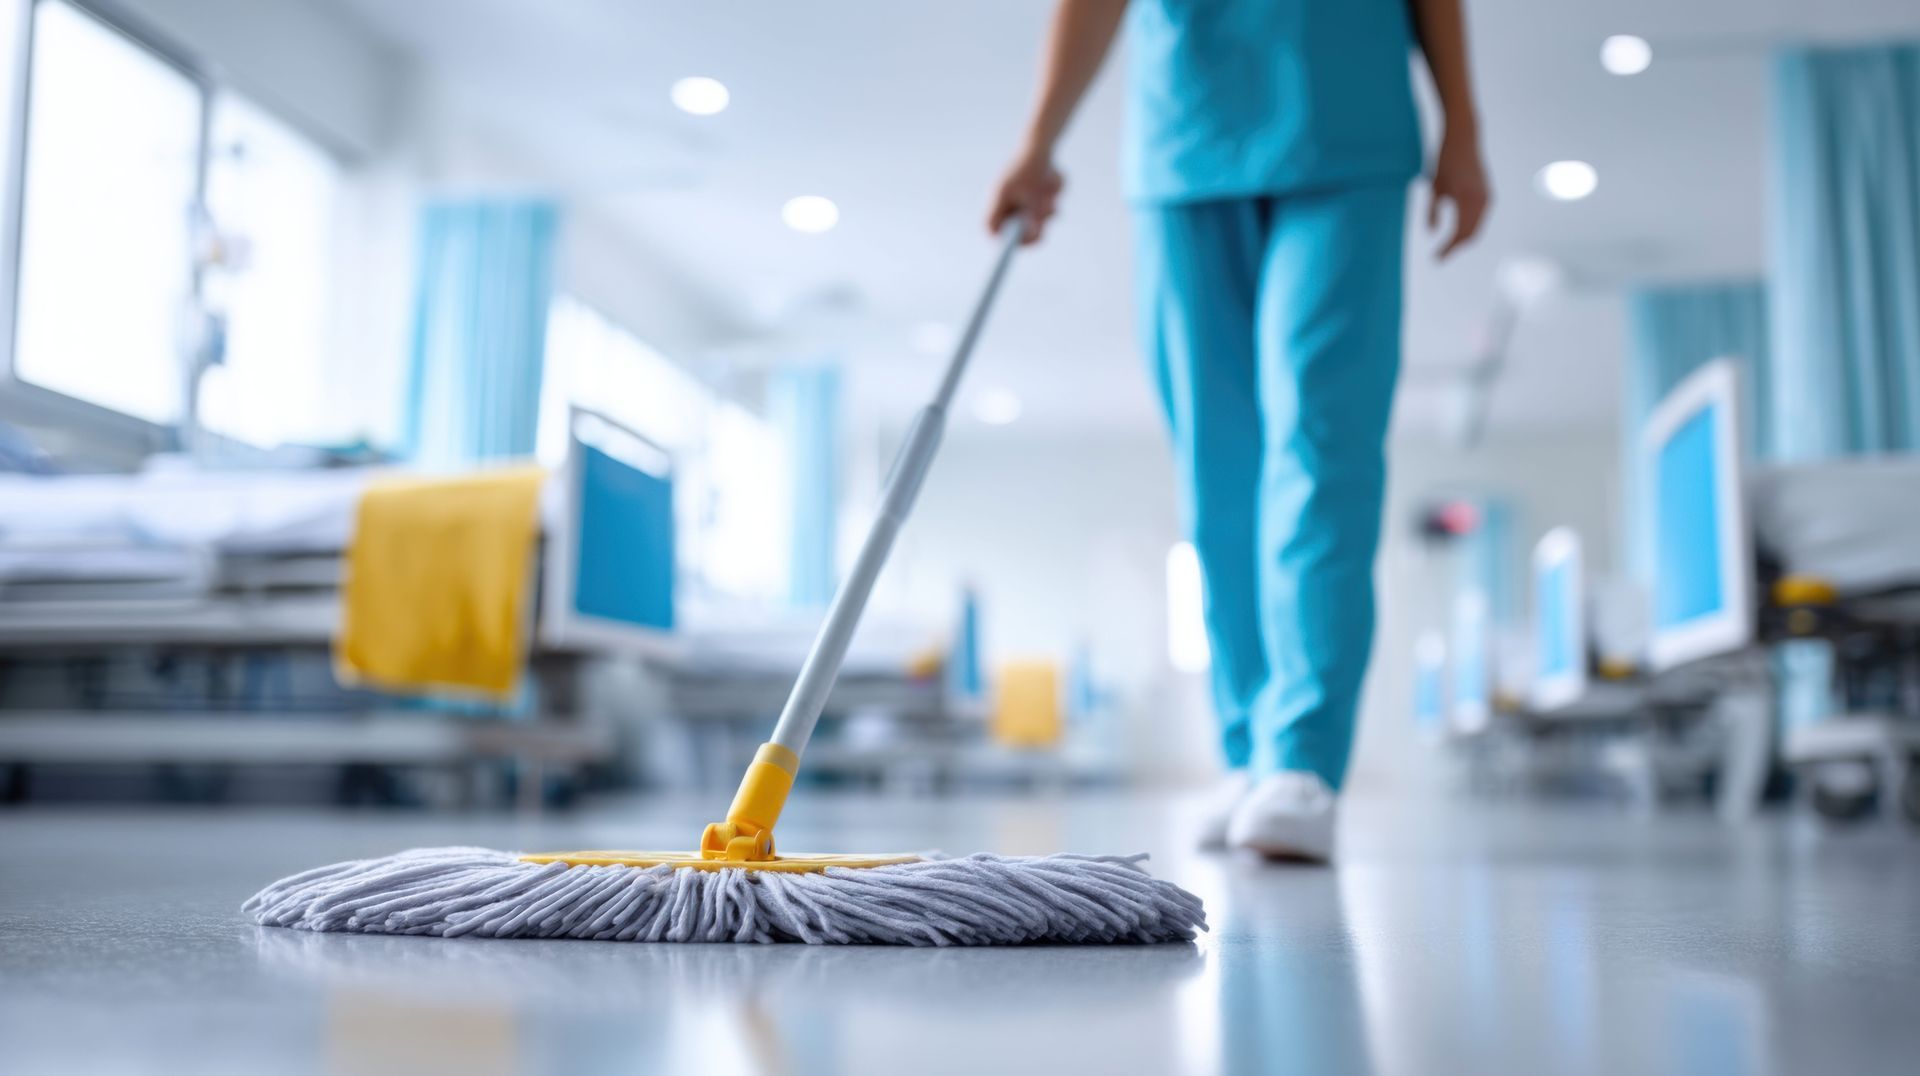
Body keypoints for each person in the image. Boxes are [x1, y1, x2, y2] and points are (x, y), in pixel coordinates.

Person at [989, 0, 1490, 861]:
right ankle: (1248, 750)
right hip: (1186, 136)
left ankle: (1301, 758)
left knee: (1320, 442)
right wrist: (1039, 139)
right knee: (1216, 467)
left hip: (1348, 122)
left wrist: (1463, 125)